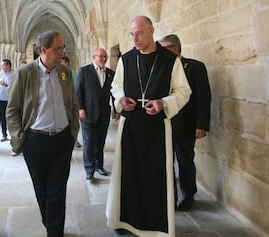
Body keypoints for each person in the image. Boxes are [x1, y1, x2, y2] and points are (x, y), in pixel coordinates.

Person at [105, 16, 191, 237]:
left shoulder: (170, 60)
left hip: (157, 129)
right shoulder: (126, 59)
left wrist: (164, 103)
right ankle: (124, 222)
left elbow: (183, 92)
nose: (135, 38)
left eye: (139, 33)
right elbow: (116, 87)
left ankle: (156, 227)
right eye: (131, 34)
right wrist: (122, 99)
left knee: (155, 176)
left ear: (151, 31)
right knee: (128, 174)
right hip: (130, 127)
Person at [6, 31, 79, 237]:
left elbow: (73, 104)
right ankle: (50, 224)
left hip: (62, 140)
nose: (62, 52)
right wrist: (20, 137)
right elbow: (12, 110)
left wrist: (73, 133)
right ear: (43, 49)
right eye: (58, 48)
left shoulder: (64, 72)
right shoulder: (24, 73)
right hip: (35, 141)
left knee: (57, 192)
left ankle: (55, 232)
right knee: (42, 191)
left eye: (63, 47)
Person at [159, 34, 211, 211]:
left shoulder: (195, 67)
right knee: (165, 163)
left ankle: (188, 195)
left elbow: (204, 98)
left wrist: (201, 125)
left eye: (164, 48)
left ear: (175, 49)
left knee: (185, 161)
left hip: (186, 125)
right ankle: (169, 198)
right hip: (164, 124)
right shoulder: (161, 67)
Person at [75, 48, 115, 180]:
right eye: (100, 56)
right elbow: (78, 91)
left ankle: (99, 166)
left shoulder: (110, 73)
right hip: (88, 113)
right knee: (88, 142)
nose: (103, 59)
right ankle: (89, 169)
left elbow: (114, 93)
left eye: (105, 57)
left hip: (104, 113)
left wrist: (117, 109)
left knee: (100, 141)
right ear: (93, 57)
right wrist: (80, 108)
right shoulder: (84, 71)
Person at [61, 55, 82, 149]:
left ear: (66, 63)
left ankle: (75, 139)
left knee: (73, 121)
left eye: (62, 62)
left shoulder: (72, 73)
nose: (61, 63)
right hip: (61, 101)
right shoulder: (58, 72)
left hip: (71, 100)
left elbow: (76, 87)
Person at [0, 59, 14, 143]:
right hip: (0, 97)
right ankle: (4, 134)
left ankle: (14, 135)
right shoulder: (0, 73)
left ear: (8, 65)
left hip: (11, 98)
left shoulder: (14, 73)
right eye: (1, 66)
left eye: (3, 65)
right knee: (2, 117)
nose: (2, 67)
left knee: (12, 117)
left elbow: (15, 86)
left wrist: (5, 84)